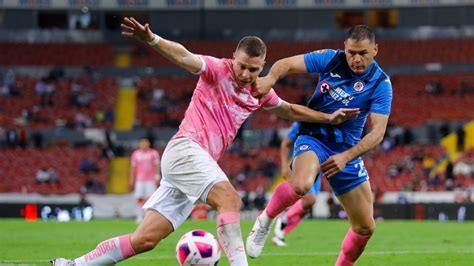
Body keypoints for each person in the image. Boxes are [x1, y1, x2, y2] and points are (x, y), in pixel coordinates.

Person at [51, 16, 359, 266]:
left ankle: (73, 264)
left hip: (194, 165)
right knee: (231, 200)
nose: (246, 73)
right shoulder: (217, 69)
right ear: (234, 58)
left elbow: (290, 110)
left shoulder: (258, 91)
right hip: (186, 149)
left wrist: (328, 118)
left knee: (144, 239)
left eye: (254, 69)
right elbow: (184, 56)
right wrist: (152, 40)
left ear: (262, 67)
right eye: (242, 66)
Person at [246, 24, 392, 266]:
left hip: (347, 150)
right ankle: (265, 221)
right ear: (344, 48)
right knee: (302, 185)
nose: (356, 59)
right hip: (314, 136)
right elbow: (286, 64)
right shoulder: (330, 59)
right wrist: (270, 78)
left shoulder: (380, 84)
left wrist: (347, 156)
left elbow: (378, 132)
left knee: (365, 227)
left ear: (375, 49)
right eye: (351, 52)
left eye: (363, 53)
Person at [271, 122, 322, 247]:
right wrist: (284, 166)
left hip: (319, 166)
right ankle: (283, 219)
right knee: (310, 200)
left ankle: (280, 235)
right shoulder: (302, 121)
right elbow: (285, 144)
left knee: (305, 209)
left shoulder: (329, 118)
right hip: (304, 162)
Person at [129, 138, 161, 223]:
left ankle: (148, 217)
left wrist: (157, 177)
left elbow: (157, 165)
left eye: (145, 143)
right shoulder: (136, 154)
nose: (143, 144)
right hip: (140, 180)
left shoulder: (153, 153)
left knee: (150, 199)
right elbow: (133, 168)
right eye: (142, 143)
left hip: (150, 180)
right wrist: (132, 179)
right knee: (139, 198)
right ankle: (139, 216)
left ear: (148, 143)